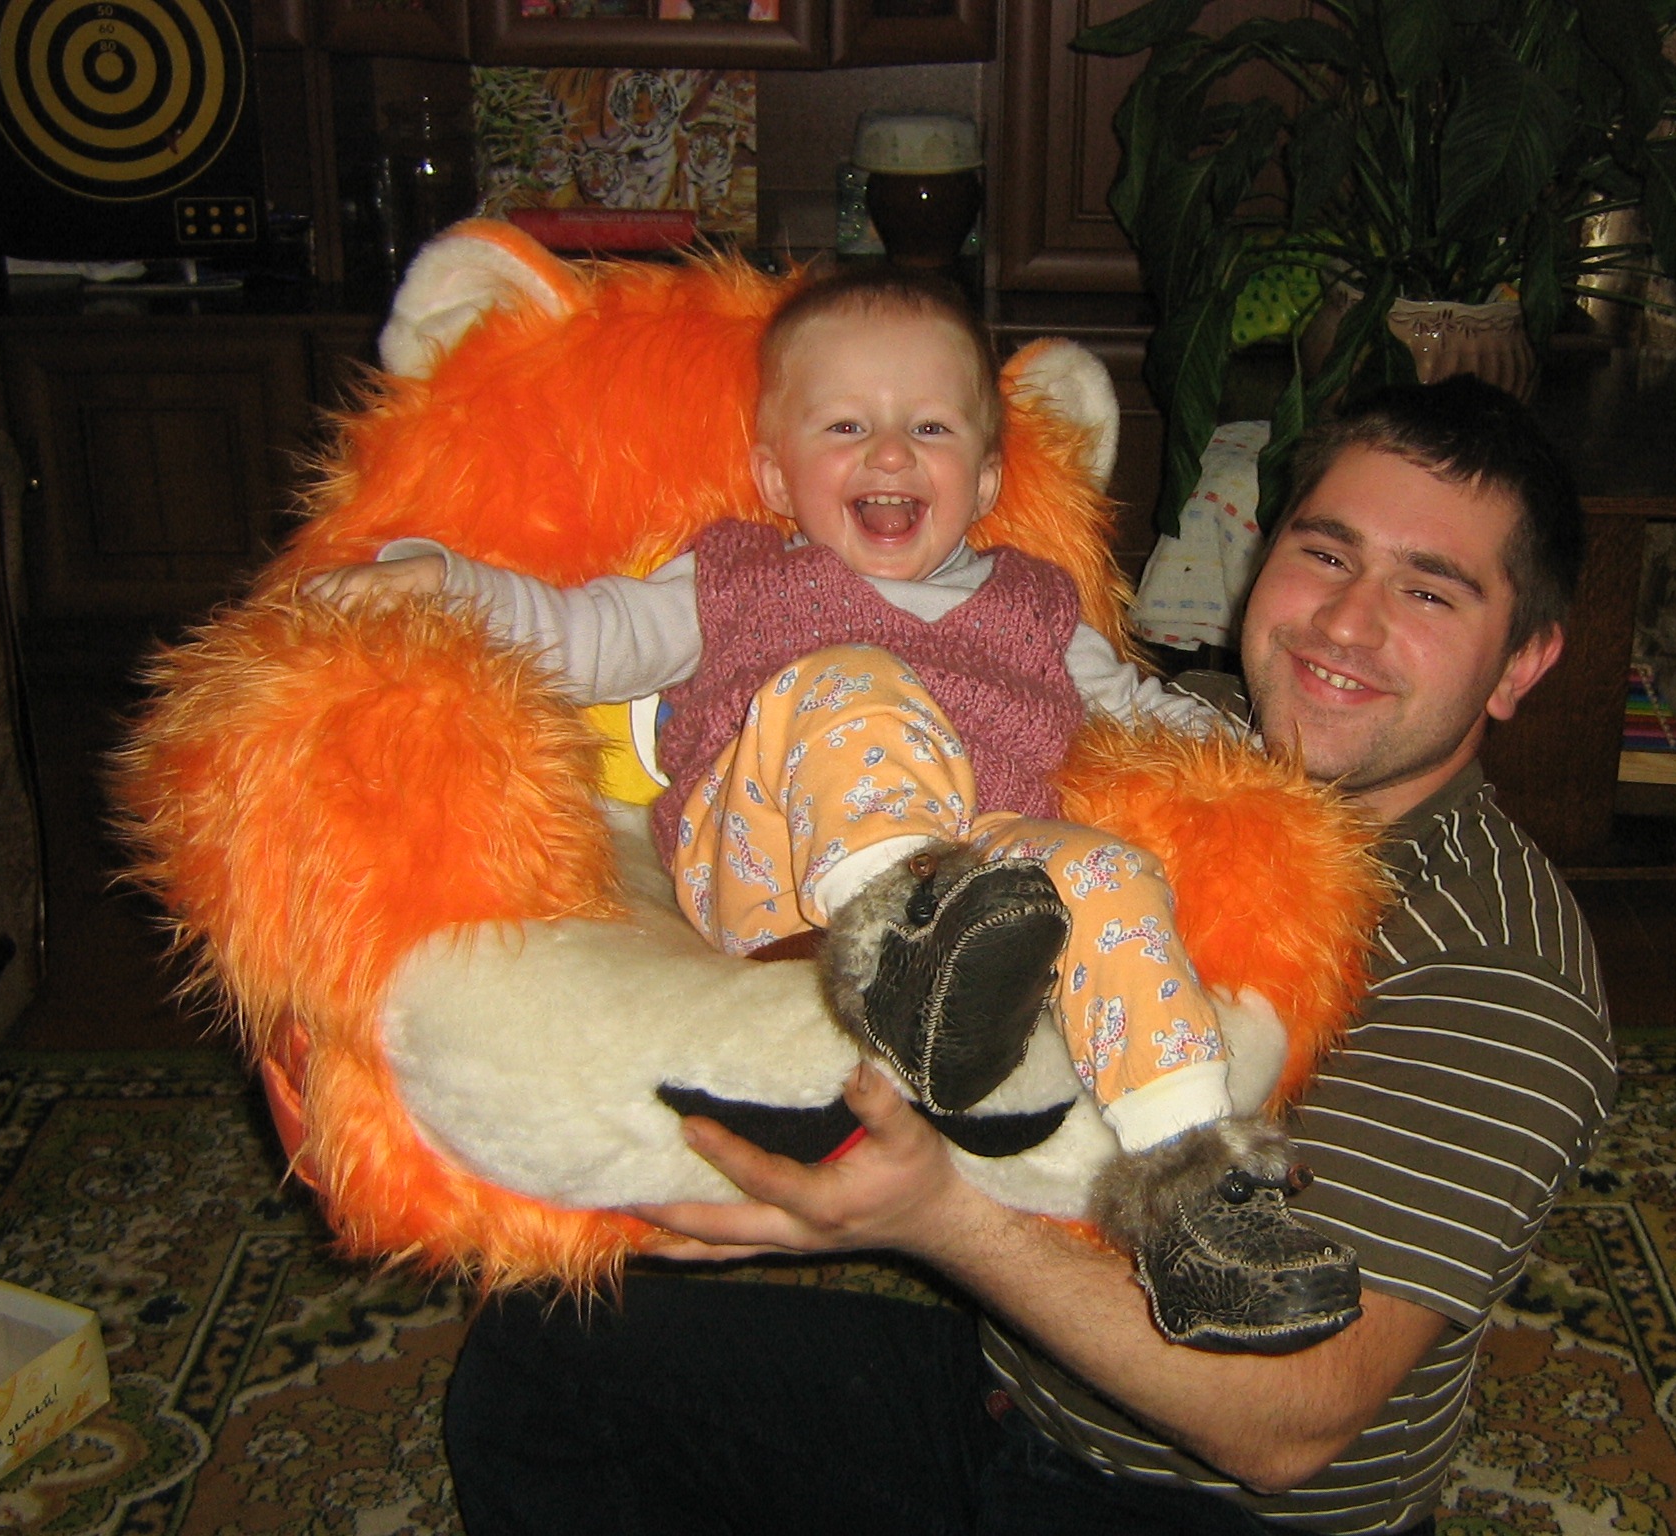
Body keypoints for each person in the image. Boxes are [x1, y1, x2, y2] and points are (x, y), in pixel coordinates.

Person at [439, 374, 1619, 1536]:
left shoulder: (1494, 967)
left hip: (1201, 1507)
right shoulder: (1186, 744)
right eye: (1324, 553)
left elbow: (1289, 1422)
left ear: (1520, 663)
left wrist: (933, 1215)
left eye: (1428, 591)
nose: (1345, 623)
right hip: (1022, 1390)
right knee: (542, 1371)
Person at [305, 263, 1360, 1352]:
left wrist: (1270, 766)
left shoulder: (1039, 606)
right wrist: (442, 582)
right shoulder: (733, 576)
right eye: (847, 426)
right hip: (771, 861)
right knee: (853, 686)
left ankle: (1198, 1195)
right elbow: (581, 633)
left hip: (984, 885)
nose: (891, 454)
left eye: (931, 428)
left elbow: (1142, 716)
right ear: (775, 471)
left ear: (988, 478)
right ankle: (902, 946)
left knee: (1104, 869)